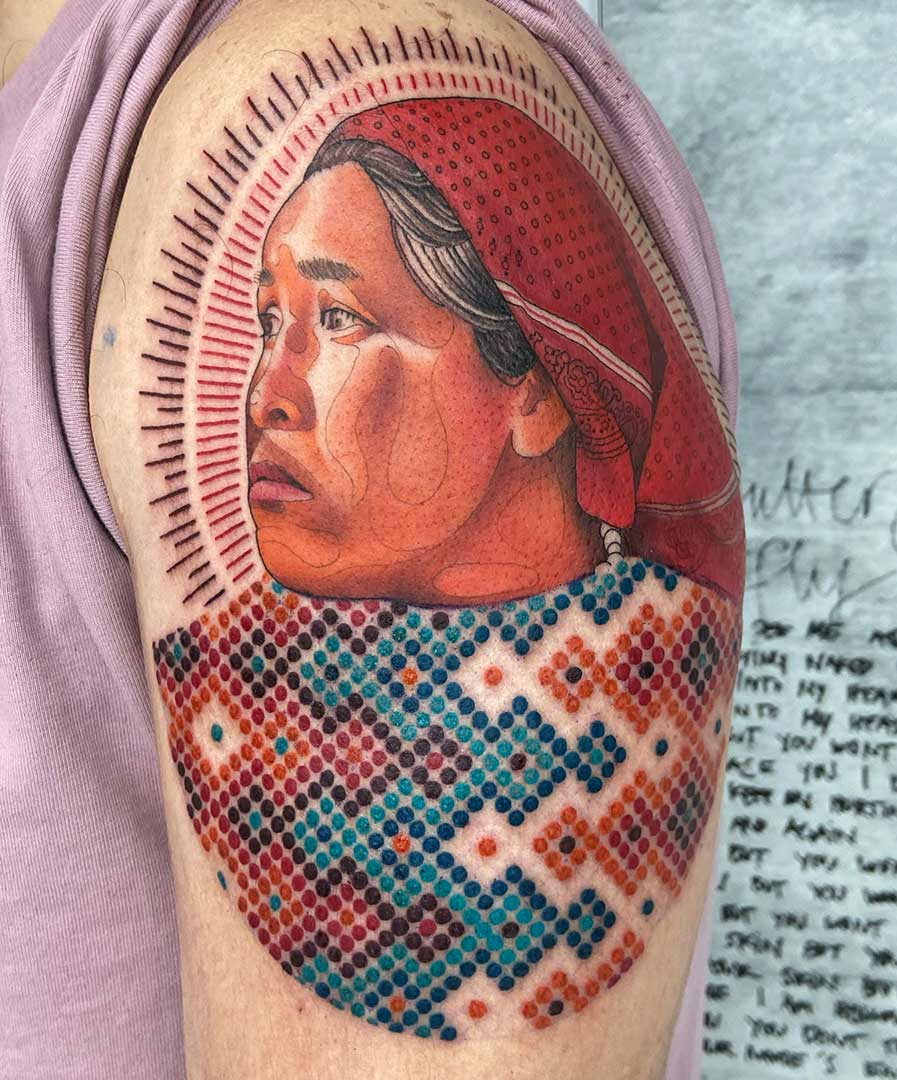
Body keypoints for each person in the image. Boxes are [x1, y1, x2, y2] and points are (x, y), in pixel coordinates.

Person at [0, 0, 745, 1076]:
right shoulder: (250, 668)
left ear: (540, 390)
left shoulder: (297, 46)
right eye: (270, 323)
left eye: (340, 321)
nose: (267, 393)